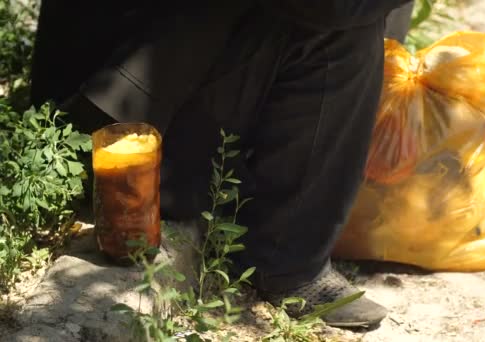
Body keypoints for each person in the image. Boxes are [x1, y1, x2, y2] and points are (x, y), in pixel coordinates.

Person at [30, 1, 413, 328]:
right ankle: (287, 260)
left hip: (117, 98)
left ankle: (278, 227)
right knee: (344, 33)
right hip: (119, 136)